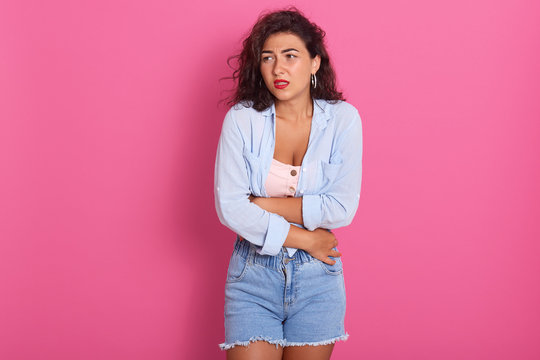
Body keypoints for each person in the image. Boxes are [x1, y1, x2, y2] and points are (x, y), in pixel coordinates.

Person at [214, 7, 363, 360]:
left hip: (318, 280)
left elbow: (341, 208)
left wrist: (260, 204)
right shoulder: (242, 121)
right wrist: (307, 238)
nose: (278, 68)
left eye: (290, 56)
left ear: (314, 63)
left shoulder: (343, 120)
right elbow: (229, 210)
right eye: (268, 58)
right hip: (254, 274)